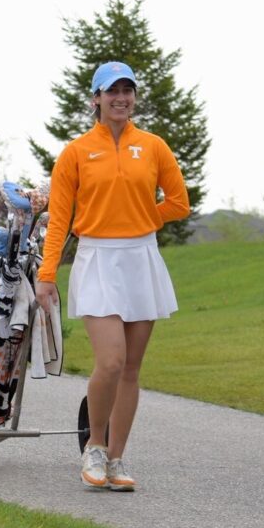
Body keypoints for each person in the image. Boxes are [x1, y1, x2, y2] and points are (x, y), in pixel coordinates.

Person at [34, 61, 190, 492]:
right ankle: (95, 448)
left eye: (128, 90)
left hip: (141, 258)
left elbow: (178, 203)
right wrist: (47, 274)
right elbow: (60, 219)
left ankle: (118, 460)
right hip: (97, 258)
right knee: (111, 361)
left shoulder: (154, 146)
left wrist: (141, 219)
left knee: (132, 369)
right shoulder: (76, 152)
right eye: (112, 90)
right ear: (96, 99)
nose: (121, 97)